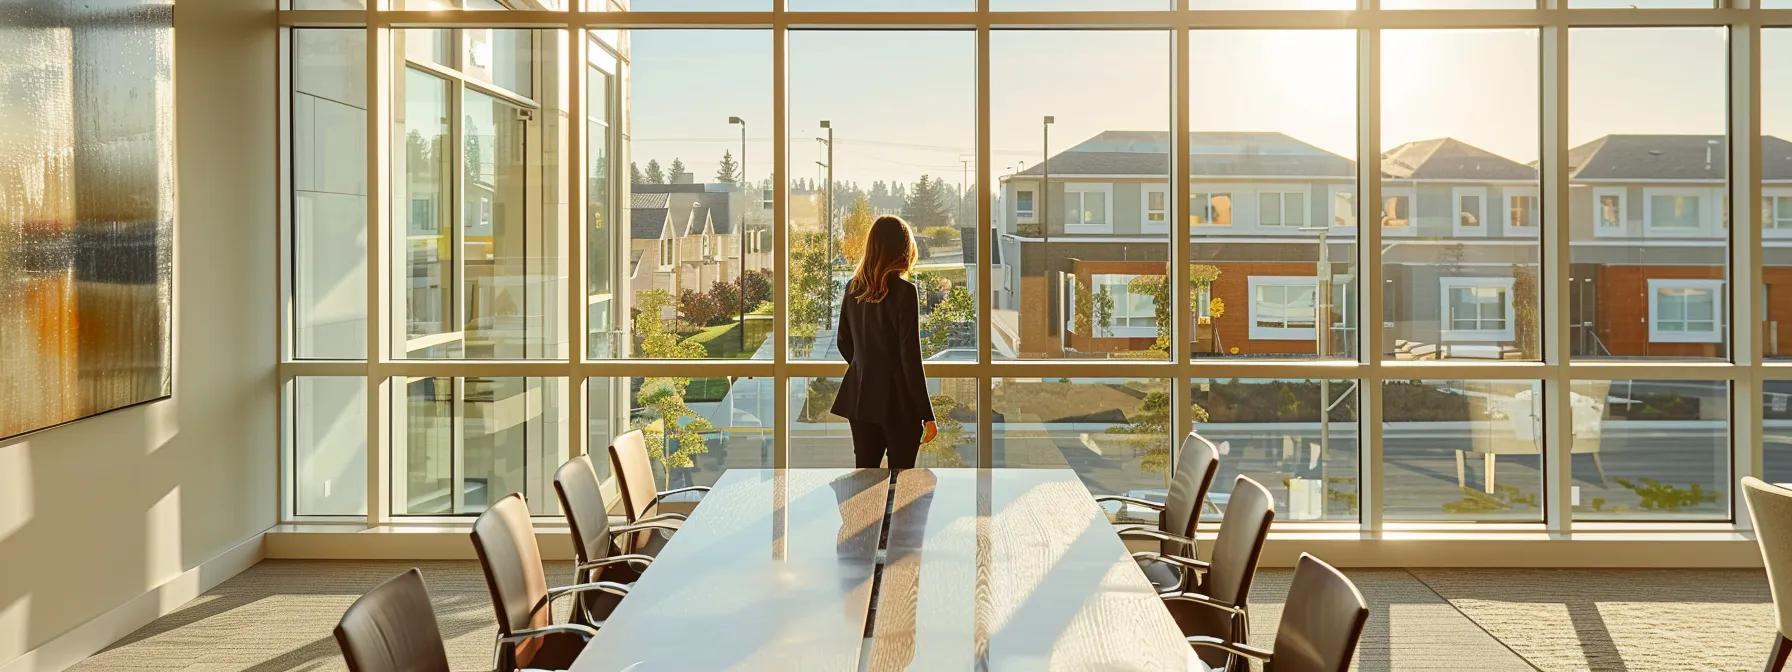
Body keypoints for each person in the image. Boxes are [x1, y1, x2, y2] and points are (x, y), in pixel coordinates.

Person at [830, 215, 937, 470]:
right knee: (900, 485)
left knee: (864, 479)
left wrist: (866, 366)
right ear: (903, 249)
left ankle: (864, 513)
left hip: (861, 397)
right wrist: (927, 414)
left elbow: (843, 342)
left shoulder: (852, 289)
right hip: (898, 404)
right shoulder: (905, 293)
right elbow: (909, 358)